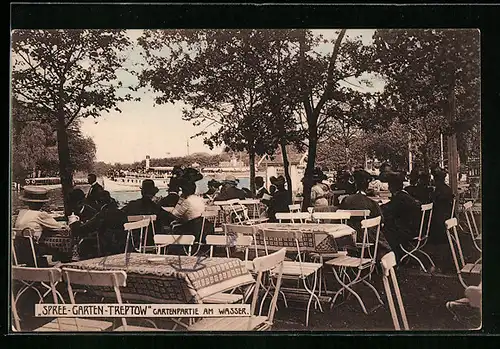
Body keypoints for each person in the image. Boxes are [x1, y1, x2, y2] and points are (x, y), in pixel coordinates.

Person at [339, 170, 391, 258]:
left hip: (348, 238)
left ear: (355, 184)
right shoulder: (372, 203)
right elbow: (381, 222)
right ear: (367, 186)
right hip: (367, 238)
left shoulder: (346, 200)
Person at [14, 187, 69, 265]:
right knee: (62, 242)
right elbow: (59, 226)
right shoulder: (41, 215)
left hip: (18, 247)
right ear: (42, 203)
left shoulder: (21, 212)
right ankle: (64, 262)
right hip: (33, 247)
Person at [70, 190, 128, 259]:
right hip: (122, 247)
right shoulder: (121, 213)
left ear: (98, 202)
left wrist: (74, 223)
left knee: (84, 244)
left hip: (106, 249)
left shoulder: (102, 215)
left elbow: (83, 229)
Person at [380, 171, 422, 261]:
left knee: (383, 229)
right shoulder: (405, 196)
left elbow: (387, 211)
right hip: (416, 229)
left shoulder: (399, 199)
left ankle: (391, 255)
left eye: (390, 185)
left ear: (392, 186)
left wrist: (379, 206)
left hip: (407, 231)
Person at [429, 168, 454, 245]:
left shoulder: (439, 189)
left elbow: (433, 200)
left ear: (438, 180)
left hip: (441, 216)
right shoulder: (447, 188)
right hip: (448, 213)